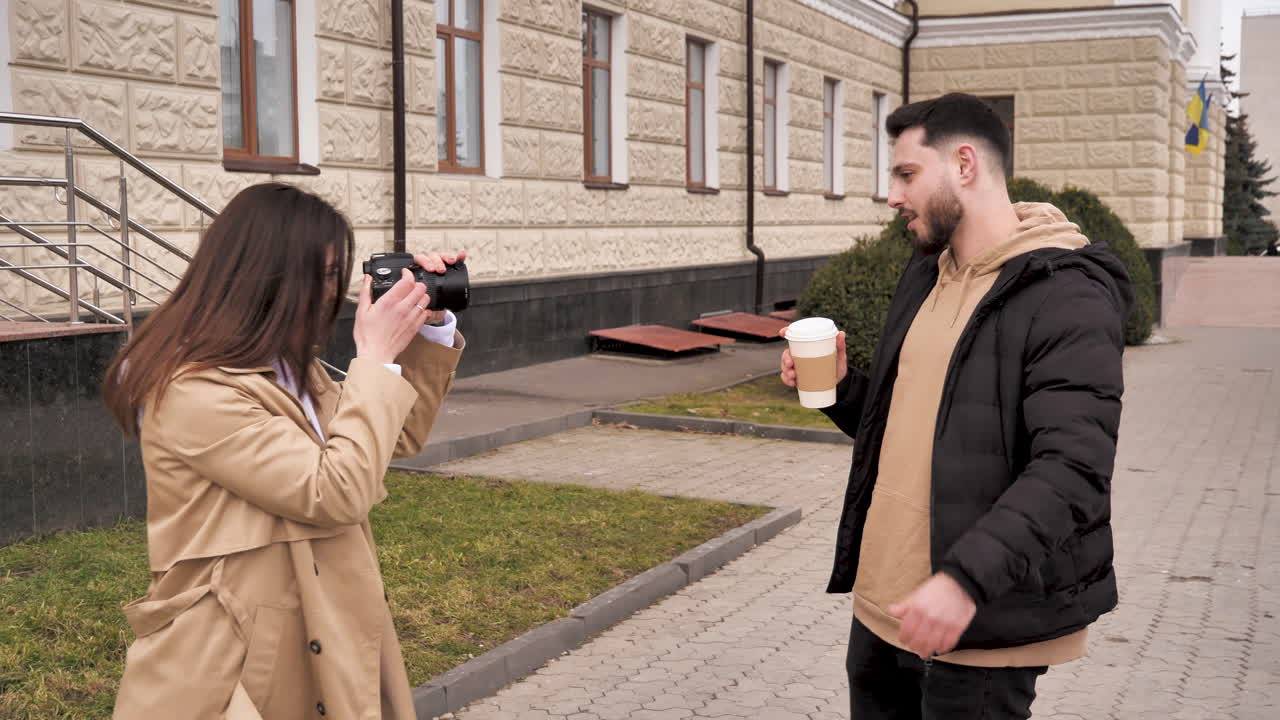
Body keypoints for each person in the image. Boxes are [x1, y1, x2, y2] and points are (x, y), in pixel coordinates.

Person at [780, 93, 1131, 719]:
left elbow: (1071, 470)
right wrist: (838, 389)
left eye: (906, 174)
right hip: (885, 613)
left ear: (964, 164)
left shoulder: (1065, 295)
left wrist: (963, 581)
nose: (892, 197)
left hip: (978, 631)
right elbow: (914, 429)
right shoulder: (927, 274)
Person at [104, 183, 465, 719]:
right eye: (321, 276)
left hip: (319, 621)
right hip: (236, 658)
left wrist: (424, 333)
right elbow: (334, 493)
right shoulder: (190, 389)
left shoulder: (287, 367)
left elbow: (391, 440)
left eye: (335, 275)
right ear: (264, 275)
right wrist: (374, 357)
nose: (331, 293)